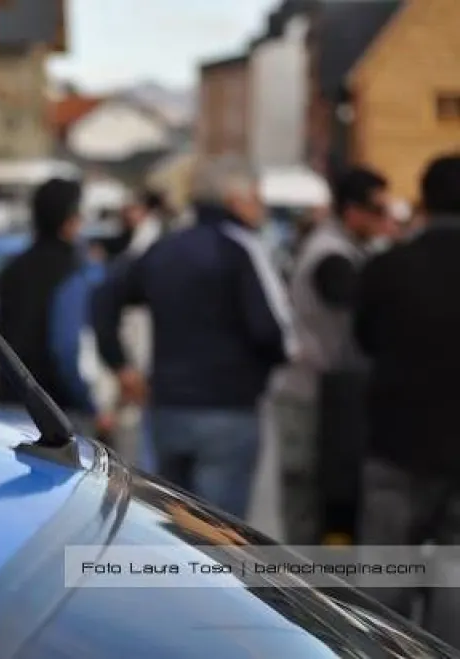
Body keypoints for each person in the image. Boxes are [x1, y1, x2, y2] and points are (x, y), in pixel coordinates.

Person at [92, 156, 293, 518]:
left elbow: (105, 298)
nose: (262, 207)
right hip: (228, 409)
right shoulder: (243, 248)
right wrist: (262, 373)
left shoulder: (166, 248)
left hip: (168, 408)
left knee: (174, 529)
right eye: (257, 197)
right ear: (236, 199)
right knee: (220, 540)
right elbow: (273, 332)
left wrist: (120, 366)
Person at [354, 154, 460, 644]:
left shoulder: (387, 266)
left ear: (423, 200)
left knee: (385, 573)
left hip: (396, 437)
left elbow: (365, 340)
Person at [270, 166, 390, 545]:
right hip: (311, 395)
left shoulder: (343, 248)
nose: (386, 221)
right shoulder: (332, 256)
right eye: (379, 211)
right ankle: (302, 591)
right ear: (353, 211)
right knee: (309, 496)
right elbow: (362, 308)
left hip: (323, 393)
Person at [0, 178, 114, 440]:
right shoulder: (73, 273)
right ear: (69, 221)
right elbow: (66, 348)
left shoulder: (11, 270)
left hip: (9, 405)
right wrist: (90, 405)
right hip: (58, 415)